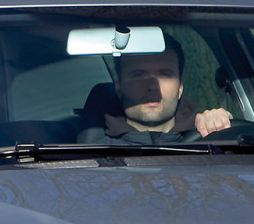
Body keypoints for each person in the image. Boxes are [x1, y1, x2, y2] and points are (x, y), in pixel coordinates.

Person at [78, 38, 233, 144]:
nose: (153, 85)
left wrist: (223, 129)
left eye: (165, 74)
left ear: (180, 88)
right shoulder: (89, 155)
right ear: (119, 87)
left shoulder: (208, 143)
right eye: (139, 75)